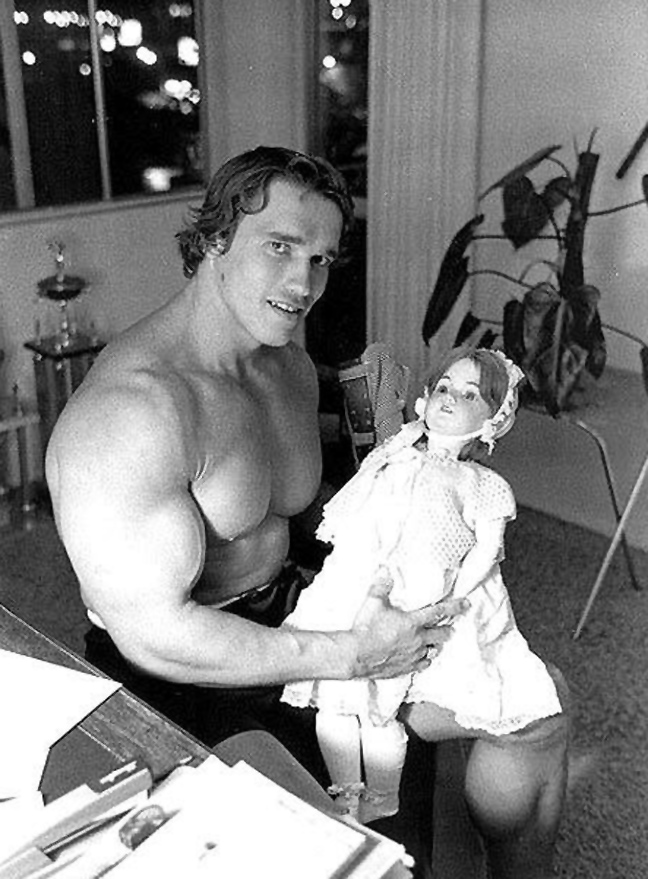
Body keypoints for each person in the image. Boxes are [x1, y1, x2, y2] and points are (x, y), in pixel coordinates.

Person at [45, 145, 568, 879]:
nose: (303, 284)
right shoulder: (131, 413)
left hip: (300, 612)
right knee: (358, 861)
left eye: (320, 259)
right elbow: (155, 635)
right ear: (215, 239)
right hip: (187, 683)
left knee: (542, 709)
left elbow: (291, 498)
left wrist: (408, 463)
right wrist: (354, 653)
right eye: (280, 247)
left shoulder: (284, 360)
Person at [282, 347, 564, 829]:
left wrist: (453, 596)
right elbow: (377, 376)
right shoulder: (396, 452)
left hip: (419, 594)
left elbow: (486, 551)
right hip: (355, 586)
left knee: (379, 713)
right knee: (333, 708)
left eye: (470, 395)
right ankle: (346, 795)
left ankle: (382, 797)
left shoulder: (482, 484)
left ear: (493, 421)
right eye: (444, 388)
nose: (450, 398)